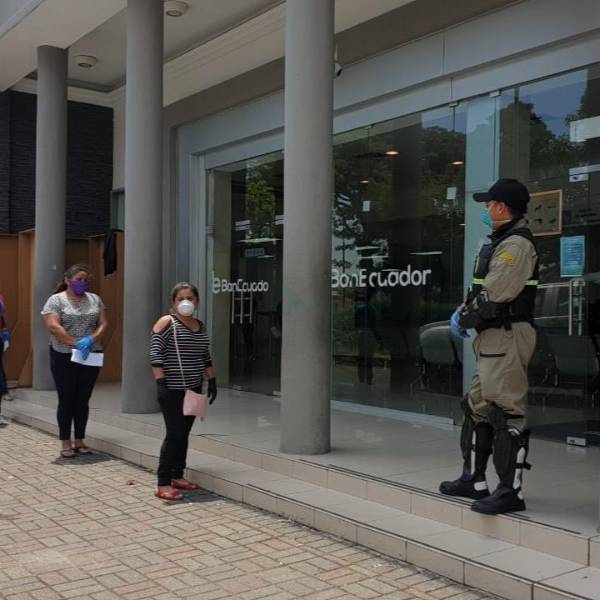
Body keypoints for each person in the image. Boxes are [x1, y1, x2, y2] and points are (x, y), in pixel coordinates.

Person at [440, 178, 538, 515]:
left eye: (488, 204)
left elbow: (495, 294)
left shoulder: (516, 246)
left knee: (507, 410)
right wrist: (466, 313)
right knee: (477, 405)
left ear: (501, 207)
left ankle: (510, 492)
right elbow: (483, 292)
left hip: (506, 334)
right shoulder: (501, 241)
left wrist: (465, 316)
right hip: (493, 335)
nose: (485, 209)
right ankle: (474, 480)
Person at [150, 282, 217, 501]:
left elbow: (204, 355)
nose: (186, 302)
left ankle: (177, 474)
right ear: (173, 302)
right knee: (174, 434)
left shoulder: (200, 325)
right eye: (181, 299)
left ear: (197, 302)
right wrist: (161, 383)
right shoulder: (167, 322)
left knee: (184, 434)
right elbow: (155, 354)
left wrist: (212, 379)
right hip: (172, 388)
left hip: (194, 387)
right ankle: (162, 482)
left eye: (190, 298)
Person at [42, 264, 108, 458]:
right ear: (68, 280)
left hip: (90, 354)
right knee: (67, 398)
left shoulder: (95, 299)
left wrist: (91, 339)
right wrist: (75, 343)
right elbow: (53, 326)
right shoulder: (56, 300)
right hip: (64, 354)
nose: (83, 283)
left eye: (86, 280)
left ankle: (79, 439)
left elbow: (103, 323)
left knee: (83, 398)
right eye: (79, 279)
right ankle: (65, 441)